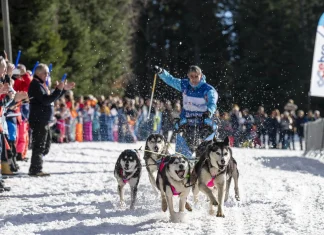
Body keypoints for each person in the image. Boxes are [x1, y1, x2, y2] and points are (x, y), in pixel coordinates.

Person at [153, 65, 217, 155]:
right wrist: (161, 72)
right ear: (188, 76)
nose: (194, 79)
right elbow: (171, 80)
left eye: (196, 76)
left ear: (201, 76)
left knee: (204, 150)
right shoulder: (184, 85)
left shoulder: (207, 89)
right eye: (191, 76)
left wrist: (209, 111)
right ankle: (184, 160)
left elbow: (212, 102)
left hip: (203, 122)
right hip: (187, 122)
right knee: (184, 151)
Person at [28, 63, 75, 176]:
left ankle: (36, 164)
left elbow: (51, 98)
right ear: (38, 73)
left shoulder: (41, 84)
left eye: (48, 73)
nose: (47, 75)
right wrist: (58, 90)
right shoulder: (35, 85)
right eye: (45, 73)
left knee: (46, 144)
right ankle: (36, 168)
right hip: (39, 119)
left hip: (44, 120)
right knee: (39, 145)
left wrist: (62, 90)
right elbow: (46, 100)